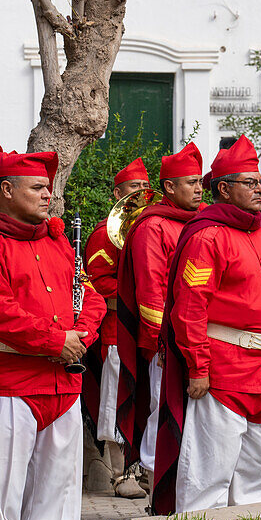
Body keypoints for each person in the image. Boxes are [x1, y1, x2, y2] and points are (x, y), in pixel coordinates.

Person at [0, 151, 105, 520]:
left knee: (60, 497)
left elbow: (91, 295)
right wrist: (56, 341)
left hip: (62, 386)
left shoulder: (57, 242)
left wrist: (81, 333)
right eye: (37, 187)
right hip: (9, 384)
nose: (46, 195)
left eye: (48, 188)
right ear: (6, 190)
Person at [148, 136, 261, 515]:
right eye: (250, 183)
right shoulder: (207, 235)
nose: (260, 190)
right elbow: (189, 308)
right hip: (223, 370)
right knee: (209, 471)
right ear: (224, 189)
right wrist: (198, 366)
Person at [115, 143, 203, 484]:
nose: (198, 189)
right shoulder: (152, 227)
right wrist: (162, 346)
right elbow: (151, 294)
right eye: (190, 182)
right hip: (165, 345)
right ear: (168, 187)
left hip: (198, 342)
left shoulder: (202, 220)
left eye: (199, 182)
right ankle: (157, 489)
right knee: (162, 414)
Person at [83, 158, 150, 500]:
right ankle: (119, 473)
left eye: (144, 187)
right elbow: (96, 285)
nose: (140, 193)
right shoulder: (102, 235)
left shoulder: (150, 229)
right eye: (133, 188)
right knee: (115, 401)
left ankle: (145, 469)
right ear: (117, 193)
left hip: (145, 333)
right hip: (115, 333)